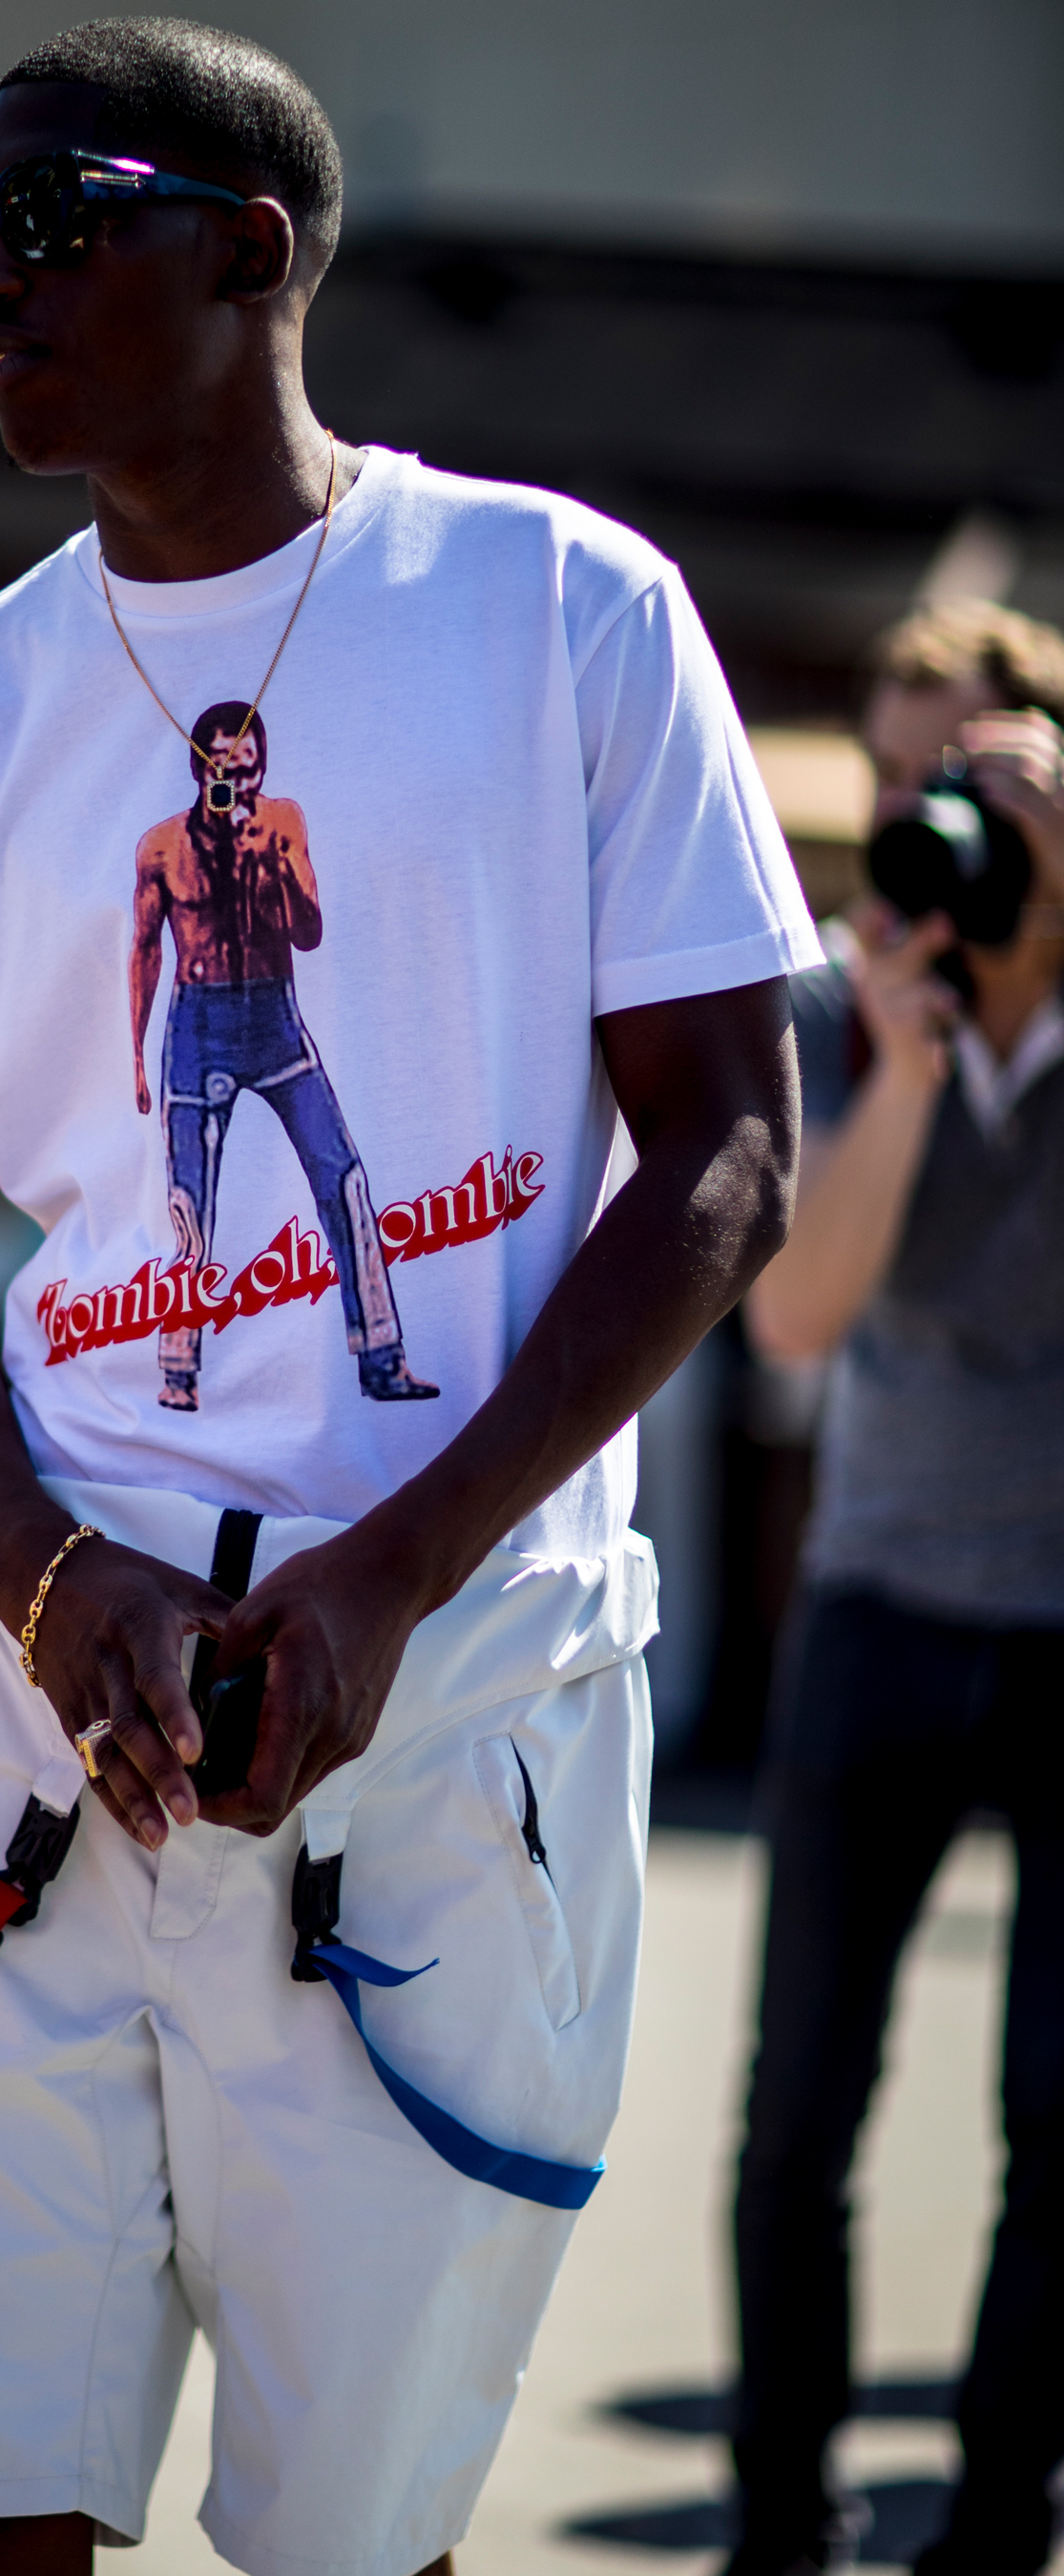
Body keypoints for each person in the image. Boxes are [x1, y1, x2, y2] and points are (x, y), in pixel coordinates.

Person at [0, 20, 818, 2575]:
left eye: (49, 220)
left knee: (355, 2544)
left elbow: (728, 1144)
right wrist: (51, 1581)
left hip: (443, 1709)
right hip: (54, 1710)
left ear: (249, 251)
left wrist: (388, 1573)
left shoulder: (561, 608)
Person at [727, 599, 1064, 2576]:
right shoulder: (841, 1011)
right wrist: (918, 1059)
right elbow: (796, 1319)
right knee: (800, 2114)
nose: (929, 815)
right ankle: (780, 2520)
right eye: (901, 776)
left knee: (1062, 2126)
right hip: (879, 1602)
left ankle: (998, 2530)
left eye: (975, 776)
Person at [129, 698, 434, 1408]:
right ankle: (177, 1369)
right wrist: (137, 1055)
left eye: (248, 767)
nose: (235, 781)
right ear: (198, 769)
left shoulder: (283, 822)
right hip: (200, 1023)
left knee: (343, 1175)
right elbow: (145, 948)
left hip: (272, 1014)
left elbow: (310, 933)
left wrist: (277, 862)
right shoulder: (162, 846)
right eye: (222, 767)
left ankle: (382, 1356)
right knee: (189, 1204)